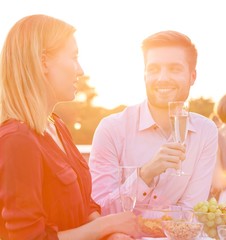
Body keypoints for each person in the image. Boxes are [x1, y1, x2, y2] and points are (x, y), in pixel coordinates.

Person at [0, 15, 138, 240]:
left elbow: (83, 206)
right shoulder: (16, 140)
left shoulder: (57, 126)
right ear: (44, 62)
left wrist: (112, 234)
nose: (80, 70)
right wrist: (103, 228)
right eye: (74, 57)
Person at [89, 30, 218, 214]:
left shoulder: (206, 132)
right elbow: (100, 210)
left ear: (192, 77)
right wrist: (145, 174)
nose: (163, 78)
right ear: (144, 75)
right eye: (154, 69)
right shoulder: (111, 129)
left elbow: (191, 214)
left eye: (175, 69)